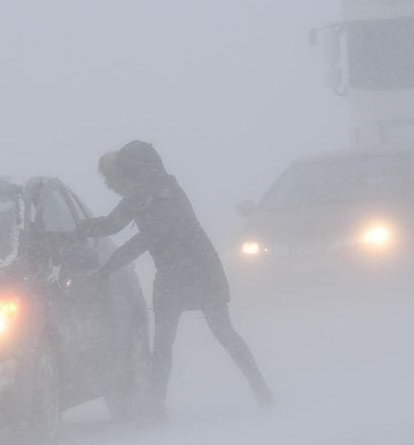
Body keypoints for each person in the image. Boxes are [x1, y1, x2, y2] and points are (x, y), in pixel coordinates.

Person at [78, 140, 274, 421]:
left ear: (130, 172)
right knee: (197, 338)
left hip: (195, 270)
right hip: (181, 272)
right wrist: (78, 230)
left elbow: (148, 236)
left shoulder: (161, 193)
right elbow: (112, 225)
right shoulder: (144, 193)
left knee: (205, 337)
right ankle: (161, 406)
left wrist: (107, 268)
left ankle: (256, 390)